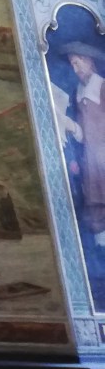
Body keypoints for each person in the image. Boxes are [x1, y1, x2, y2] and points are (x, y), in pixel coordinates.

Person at [61, 41, 105, 248]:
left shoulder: (102, 87)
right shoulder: (77, 94)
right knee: (95, 198)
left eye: (77, 63)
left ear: (89, 61)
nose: (75, 69)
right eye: (72, 64)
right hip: (90, 158)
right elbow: (84, 133)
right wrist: (72, 127)